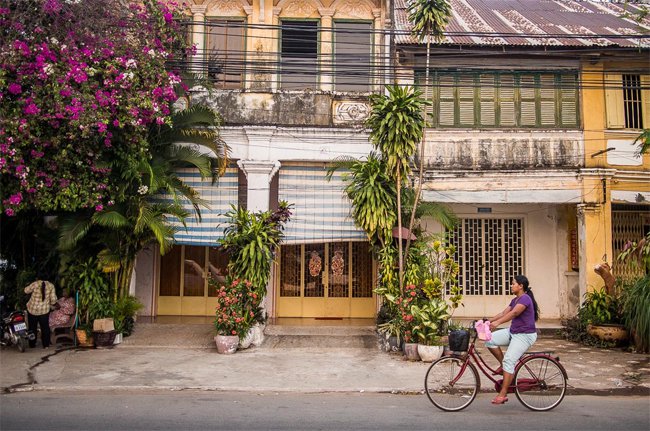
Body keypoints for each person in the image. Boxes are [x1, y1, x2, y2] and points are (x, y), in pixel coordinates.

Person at [485, 274, 540, 405]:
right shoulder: (515, 300)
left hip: (524, 335)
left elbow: (514, 313)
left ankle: (503, 394)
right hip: (513, 332)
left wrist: (497, 324)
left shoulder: (525, 299)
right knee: (489, 339)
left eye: (513, 283)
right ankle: (504, 366)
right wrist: (488, 321)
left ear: (521, 286)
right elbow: (504, 313)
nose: (511, 285)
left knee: (510, 360)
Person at [24, 280, 57, 349]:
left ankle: (32, 344)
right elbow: (53, 300)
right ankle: (46, 345)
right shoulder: (51, 285)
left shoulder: (35, 284)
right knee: (45, 328)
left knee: (32, 328)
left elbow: (26, 291)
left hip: (33, 310)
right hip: (44, 311)